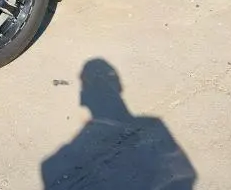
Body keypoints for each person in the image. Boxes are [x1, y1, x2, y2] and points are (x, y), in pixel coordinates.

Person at [41, 59, 196, 189]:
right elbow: (183, 175)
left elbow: (182, 176)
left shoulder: (152, 127)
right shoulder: (154, 127)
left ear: (83, 97)